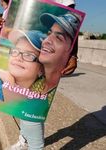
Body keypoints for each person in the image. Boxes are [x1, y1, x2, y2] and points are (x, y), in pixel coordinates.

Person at [10, 11, 82, 150]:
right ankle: (24, 140)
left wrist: (74, 55)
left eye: (59, 38)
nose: (46, 40)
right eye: (49, 33)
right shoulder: (35, 81)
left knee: (32, 119)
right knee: (25, 114)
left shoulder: (42, 85)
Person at [0, 30, 46, 102]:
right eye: (15, 51)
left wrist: (10, 87)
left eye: (29, 55)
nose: (18, 58)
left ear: (41, 69)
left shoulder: (39, 101)